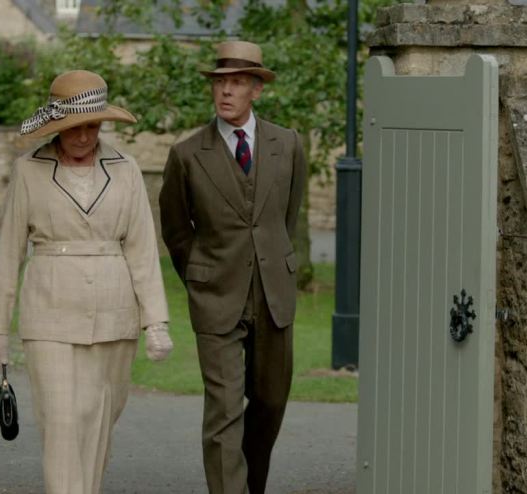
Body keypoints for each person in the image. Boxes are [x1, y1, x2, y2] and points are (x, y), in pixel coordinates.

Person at [0, 69, 174, 494]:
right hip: (49, 313)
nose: (84, 136)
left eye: (93, 126)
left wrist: (156, 322)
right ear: (56, 126)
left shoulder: (126, 169)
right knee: (62, 422)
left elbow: (142, 249)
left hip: (115, 314)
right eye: (74, 127)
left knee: (99, 419)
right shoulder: (28, 170)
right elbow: (10, 250)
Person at [159, 40, 306, 494]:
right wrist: (202, 275)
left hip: (273, 294)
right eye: (220, 82)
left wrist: (273, 263)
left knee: (270, 401)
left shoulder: (288, 144)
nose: (226, 91)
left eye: (238, 82)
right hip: (216, 296)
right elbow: (176, 230)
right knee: (223, 410)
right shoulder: (187, 154)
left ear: (256, 90)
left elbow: (286, 217)